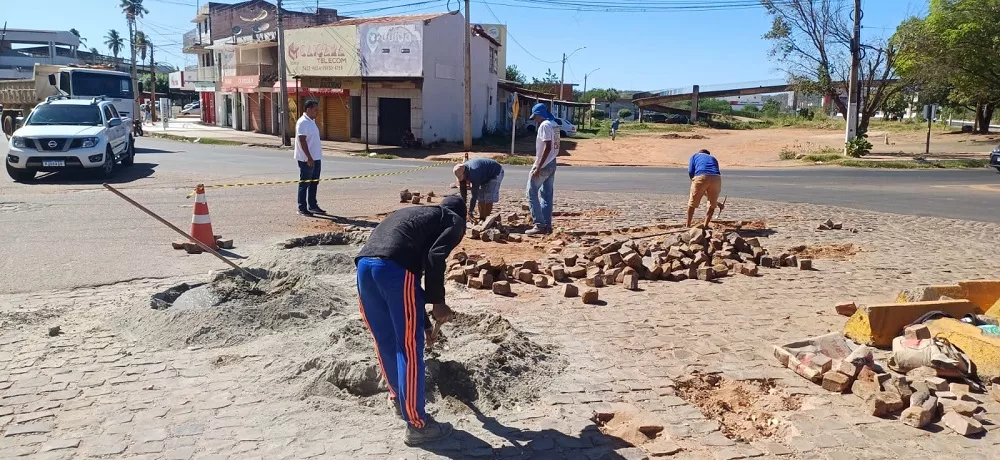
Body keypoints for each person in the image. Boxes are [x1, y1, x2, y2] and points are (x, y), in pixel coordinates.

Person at [355, 195, 467, 446]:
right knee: (409, 350)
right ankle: (418, 425)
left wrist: (424, 323)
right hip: (394, 269)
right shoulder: (454, 220)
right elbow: (435, 258)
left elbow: (413, 283)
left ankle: (398, 400)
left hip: (364, 266)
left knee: (385, 340)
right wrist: (439, 302)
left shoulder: (419, 217)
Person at [525, 103, 559, 235]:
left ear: (539, 114)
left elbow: (548, 146)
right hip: (552, 162)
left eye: (536, 116)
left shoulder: (544, 125)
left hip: (543, 164)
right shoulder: (554, 124)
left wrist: (538, 167)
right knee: (547, 195)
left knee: (531, 193)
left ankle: (539, 224)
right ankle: (547, 224)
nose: (535, 119)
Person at [294, 100, 326, 216]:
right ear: (308, 109)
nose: (317, 112)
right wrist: (309, 157)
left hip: (316, 157)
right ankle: (302, 207)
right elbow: (302, 140)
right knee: (305, 183)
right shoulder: (302, 122)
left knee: (314, 182)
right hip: (306, 159)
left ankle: (312, 205)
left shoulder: (311, 121)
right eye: (315, 110)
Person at [454, 157, 504, 221]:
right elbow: (463, 190)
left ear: (464, 174)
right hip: (483, 174)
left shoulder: (474, 174)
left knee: (488, 197)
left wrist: (470, 212)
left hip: (495, 173)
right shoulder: (463, 170)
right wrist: (464, 209)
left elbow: (474, 196)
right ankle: (482, 218)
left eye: (461, 177)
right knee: (481, 198)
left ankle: (486, 220)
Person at [686, 149, 724, 228]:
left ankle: (688, 225)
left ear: (700, 153)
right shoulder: (713, 158)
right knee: (711, 203)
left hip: (701, 175)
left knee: (693, 202)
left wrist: (693, 180)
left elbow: (690, 170)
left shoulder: (695, 156)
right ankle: (705, 225)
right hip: (716, 178)